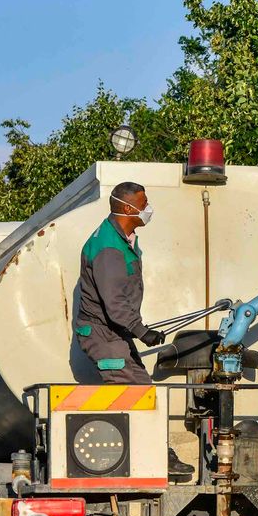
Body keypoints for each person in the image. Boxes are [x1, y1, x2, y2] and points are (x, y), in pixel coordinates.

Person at [75, 181, 193, 477]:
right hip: (104, 336)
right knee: (134, 393)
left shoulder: (122, 240)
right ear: (128, 208)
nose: (148, 208)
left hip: (115, 334)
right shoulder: (108, 248)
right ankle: (138, 459)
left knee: (142, 391)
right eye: (144, 202)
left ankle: (150, 455)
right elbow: (114, 303)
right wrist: (143, 331)